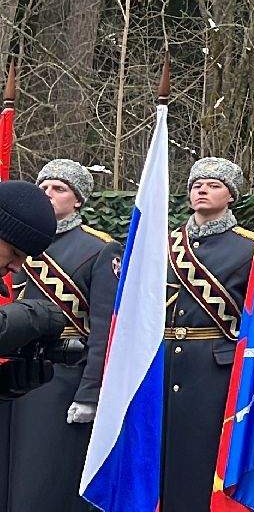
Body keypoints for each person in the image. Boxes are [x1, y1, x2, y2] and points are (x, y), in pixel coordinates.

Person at [3, 160, 119, 512]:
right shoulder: (16, 237)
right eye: (44, 186)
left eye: (60, 188)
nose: (48, 194)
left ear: (79, 200)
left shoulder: (98, 249)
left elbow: (104, 329)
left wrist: (90, 392)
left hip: (58, 377)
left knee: (42, 480)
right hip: (9, 366)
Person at [162, 158, 254, 512]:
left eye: (213, 184)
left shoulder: (252, 248)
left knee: (203, 460)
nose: (202, 189)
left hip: (216, 369)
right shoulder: (164, 243)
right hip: (165, 363)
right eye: (196, 184)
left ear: (231, 195)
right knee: (160, 459)